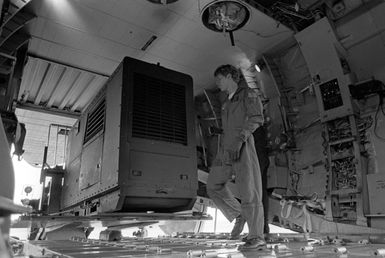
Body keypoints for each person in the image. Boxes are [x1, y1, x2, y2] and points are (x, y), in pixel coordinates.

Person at [206, 64, 265, 250]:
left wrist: (240, 140)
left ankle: (256, 236)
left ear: (230, 76)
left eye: (219, 78)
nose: (217, 82)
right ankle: (238, 214)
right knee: (213, 186)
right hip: (226, 149)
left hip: (243, 145)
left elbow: (257, 118)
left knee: (250, 191)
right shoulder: (226, 103)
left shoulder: (248, 94)